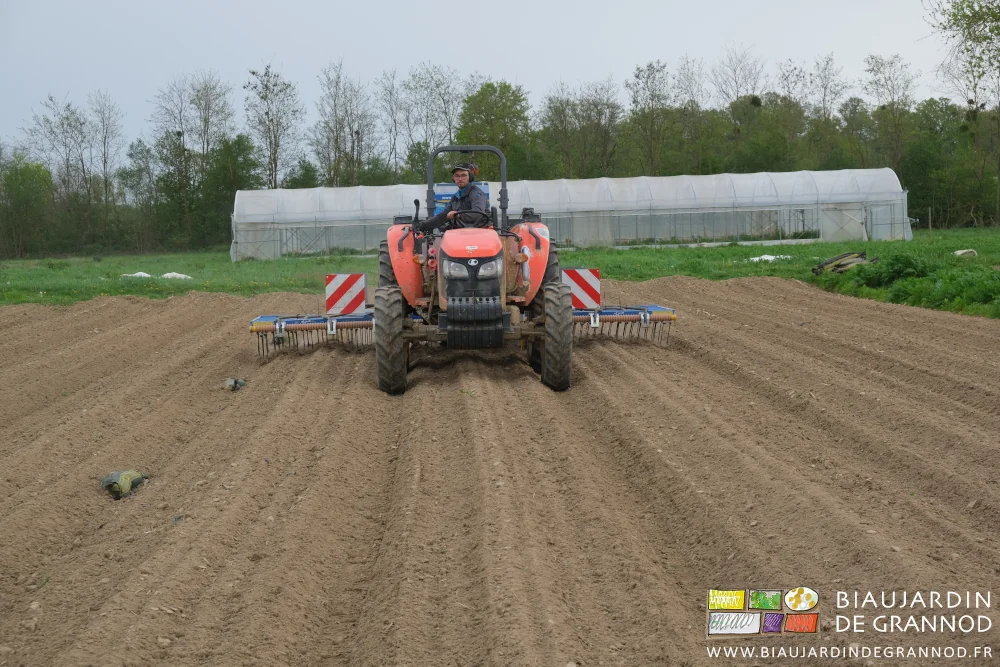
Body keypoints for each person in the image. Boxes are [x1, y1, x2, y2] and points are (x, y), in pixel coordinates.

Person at [415, 162, 490, 232]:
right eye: (457, 176)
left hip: (480, 230)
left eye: (463, 175)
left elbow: (478, 213)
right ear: (453, 178)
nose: (460, 179)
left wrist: (458, 215)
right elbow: (442, 217)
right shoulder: (455, 198)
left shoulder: (476, 193)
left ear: (470, 177)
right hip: (461, 231)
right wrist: (420, 226)